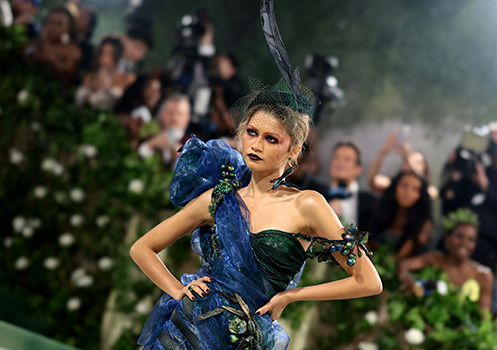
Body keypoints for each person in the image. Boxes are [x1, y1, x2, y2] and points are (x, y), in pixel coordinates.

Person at [130, 79, 382, 349]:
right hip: (184, 332)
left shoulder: (309, 204)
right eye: (251, 133)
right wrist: (178, 289)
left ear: (294, 150)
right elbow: (142, 247)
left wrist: (292, 295)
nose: (256, 145)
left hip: (244, 339)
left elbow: (367, 281)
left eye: (271, 139)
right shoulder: (220, 198)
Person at [440, 119, 497, 270]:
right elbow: (448, 208)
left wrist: (486, 186)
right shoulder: (474, 170)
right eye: (495, 146)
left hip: (486, 251)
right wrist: (456, 173)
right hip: (453, 246)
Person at [397, 208, 493, 310]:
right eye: (459, 236)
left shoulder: (484, 276)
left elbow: (484, 316)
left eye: (470, 239)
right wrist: (409, 281)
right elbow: (403, 265)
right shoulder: (434, 259)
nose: (464, 243)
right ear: (447, 238)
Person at [368, 170, 433, 260]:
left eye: (415, 189)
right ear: (395, 187)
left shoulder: (424, 223)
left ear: (421, 195)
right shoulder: (382, 209)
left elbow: (400, 257)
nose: (408, 192)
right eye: (404, 186)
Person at [367, 128, 438, 200]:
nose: (409, 164)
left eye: (417, 162)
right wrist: (384, 151)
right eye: (406, 161)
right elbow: (373, 180)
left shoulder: (429, 190)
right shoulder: (394, 185)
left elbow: (429, 193)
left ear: (424, 169)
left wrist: (407, 153)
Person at [322, 141, 377, 230]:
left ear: (358, 169)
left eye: (347, 159)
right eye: (336, 158)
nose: (340, 163)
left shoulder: (372, 202)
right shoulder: (316, 196)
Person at [76, 36, 135, 110]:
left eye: (108, 54)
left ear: (117, 55)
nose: (103, 58)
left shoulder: (125, 78)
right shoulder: (91, 76)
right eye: (102, 53)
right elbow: (80, 102)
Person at [24, 6, 82, 83]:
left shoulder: (73, 50)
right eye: (50, 21)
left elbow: (67, 75)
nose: (53, 26)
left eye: (59, 23)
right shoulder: (38, 40)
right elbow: (26, 54)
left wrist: (47, 48)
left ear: (69, 27)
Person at [137, 93, 191, 166]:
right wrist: (150, 144)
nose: (174, 118)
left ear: (187, 118)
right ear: (161, 114)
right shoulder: (146, 131)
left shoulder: (191, 145)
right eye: (170, 112)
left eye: (180, 114)